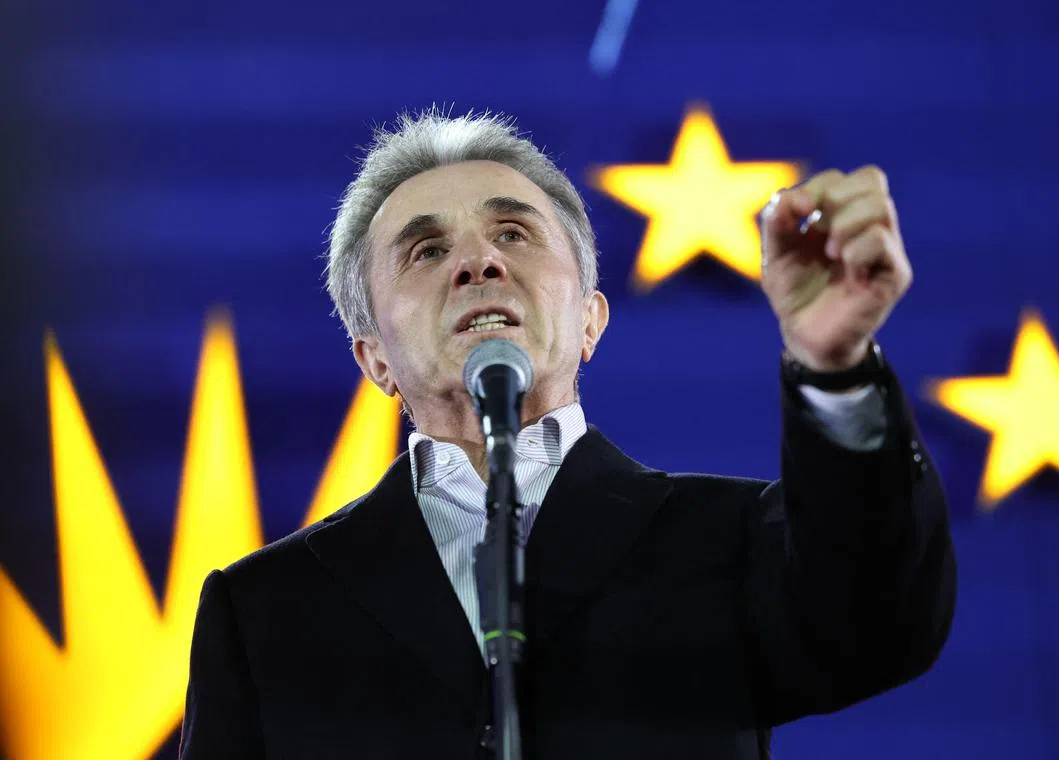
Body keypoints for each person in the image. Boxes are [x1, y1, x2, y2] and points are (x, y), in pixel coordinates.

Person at [178, 108, 956, 760]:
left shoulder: (729, 542)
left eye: (514, 234)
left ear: (590, 321)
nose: (478, 262)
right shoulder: (264, 612)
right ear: (374, 357)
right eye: (427, 250)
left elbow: (879, 626)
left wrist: (834, 366)